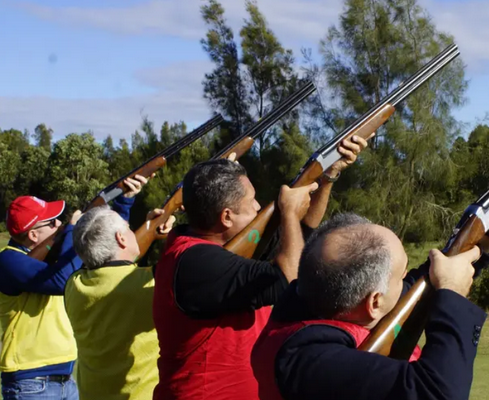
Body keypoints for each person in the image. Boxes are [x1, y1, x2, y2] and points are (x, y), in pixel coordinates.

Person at [251, 173, 489, 400]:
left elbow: (422, 283)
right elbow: (437, 393)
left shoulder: (311, 299)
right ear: (374, 303)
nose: (410, 277)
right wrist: (452, 294)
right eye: (401, 274)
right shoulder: (307, 361)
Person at [152, 135, 371, 400]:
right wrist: (288, 213)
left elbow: (302, 234)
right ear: (226, 217)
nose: (259, 207)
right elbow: (291, 278)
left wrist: (327, 178)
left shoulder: (210, 248)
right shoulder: (195, 262)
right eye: (252, 202)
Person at [0, 176, 148, 400]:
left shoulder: (52, 260)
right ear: (33, 235)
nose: (59, 224)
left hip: (66, 378)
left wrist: (124, 202)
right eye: (52, 222)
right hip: (30, 382)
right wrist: (74, 229)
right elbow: (61, 281)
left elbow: (109, 250)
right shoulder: (7, 261)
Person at [64, 205, 175, 400]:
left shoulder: (74, 285)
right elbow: (191, 264)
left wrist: (150, 227)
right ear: (121, 238)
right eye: (129, 227)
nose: (133, 231)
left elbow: (113, 265)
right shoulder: (150, 281)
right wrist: (174, 235)